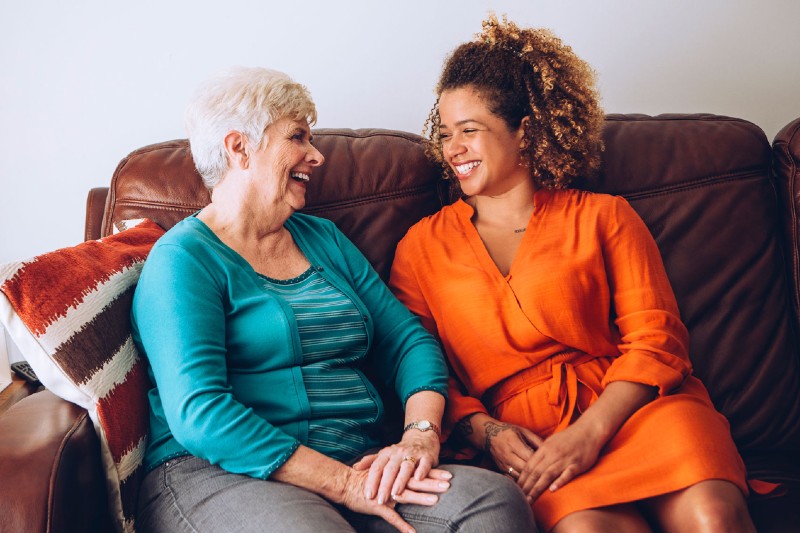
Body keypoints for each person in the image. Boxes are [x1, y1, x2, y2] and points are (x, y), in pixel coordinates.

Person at [389, 15, 755, 533]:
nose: (452, 149)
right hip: (531, 440)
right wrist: (488, 431)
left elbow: (657, 341)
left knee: (712, 516)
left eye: (470, 131)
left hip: (632, 412)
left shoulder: (604, 215)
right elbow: (423, 368)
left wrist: (590, 433)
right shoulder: (420, 247)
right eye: (446, 134)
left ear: (526, 131)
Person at [130, 66, 535, 533]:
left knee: (490, 504)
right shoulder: (184, 260)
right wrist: (342, 484)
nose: (316, 155)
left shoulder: (322, 238)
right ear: (239, 147)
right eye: (297, 137)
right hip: (220, 473)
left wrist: (418, 437)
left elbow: (407, 341)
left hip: (356, 461)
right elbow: (200, 413)